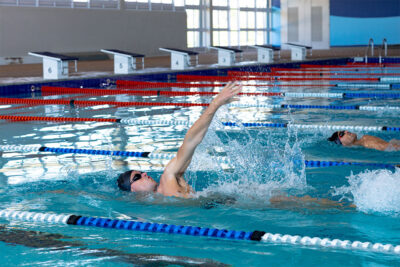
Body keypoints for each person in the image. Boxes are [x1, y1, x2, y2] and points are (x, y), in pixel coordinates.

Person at [117, 82, 243, 198]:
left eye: (142, 172)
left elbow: (191, 141)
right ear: (132, 189)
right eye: (138, 177)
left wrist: (215, 103)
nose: (145, 174)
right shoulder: (148, 209)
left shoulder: (169, 177)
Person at [327, 130, 400, 151]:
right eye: (342, 134)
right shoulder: (365, 139)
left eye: (344, 130)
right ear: (343, 144)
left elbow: (394, 147)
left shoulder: (367, 142)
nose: (346, 131)